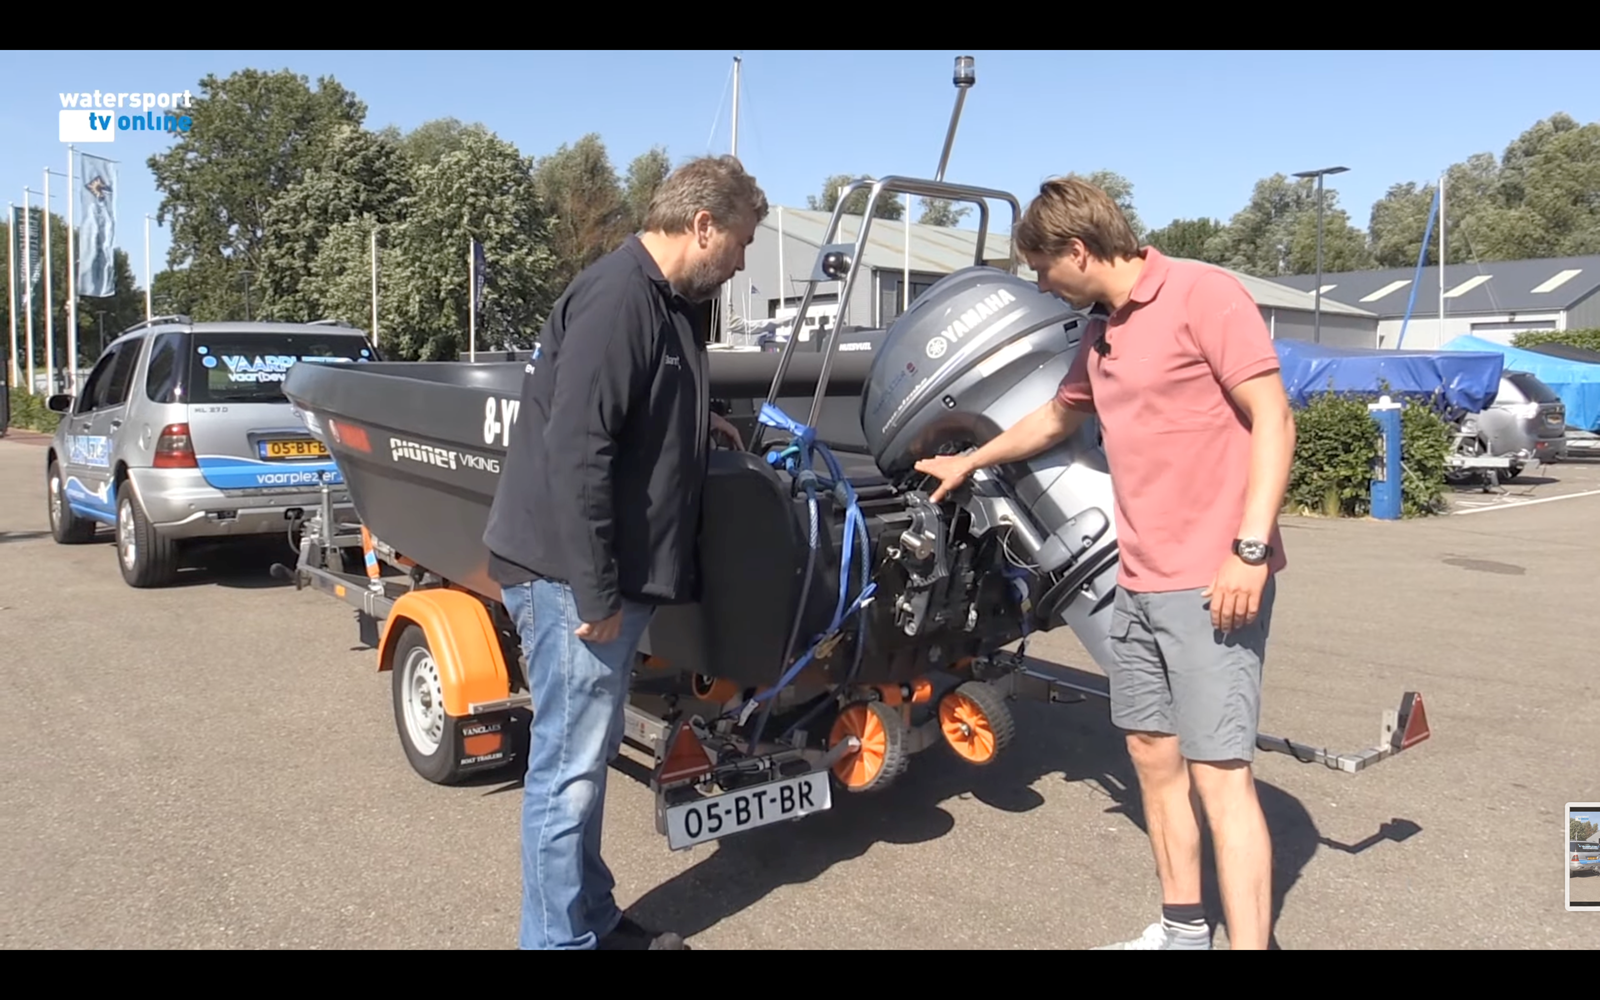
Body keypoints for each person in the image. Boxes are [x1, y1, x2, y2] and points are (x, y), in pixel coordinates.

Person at [914, 177, 1295, 951]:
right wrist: (972, 460)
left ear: (1079, 250)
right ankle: (1184, 930)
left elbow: (1274, 419)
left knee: (1220, 775)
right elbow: (1058, 416)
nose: (1041, 284)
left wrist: (1249, 550)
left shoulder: (1203, 294)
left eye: (1043, 268)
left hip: (1212, 580)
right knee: (1152, 756)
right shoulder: (1103, 332)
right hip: (1137, 579)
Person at [482, 154, 766, 951]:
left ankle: (590, 918)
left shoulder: (671, 302)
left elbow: (639, 404)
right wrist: (597, 592)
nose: (742, 261)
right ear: (702, 225)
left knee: (586, 759)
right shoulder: (618, 300)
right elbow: (579, 453)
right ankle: (557, 941)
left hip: (597, 579)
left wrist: (700, 421)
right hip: (568, 579)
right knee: (567, 772)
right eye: (741, 242)